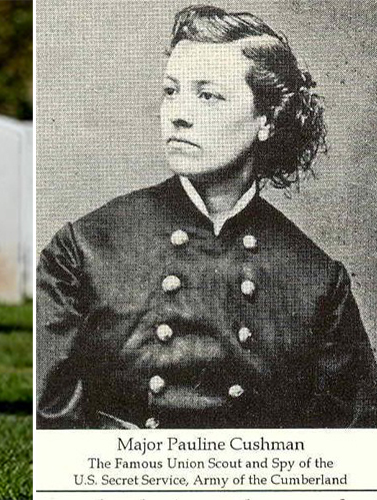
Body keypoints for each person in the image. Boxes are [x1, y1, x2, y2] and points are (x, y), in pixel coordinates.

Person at [37, 4, 377, 429]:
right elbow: (56, 428)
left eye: (207, 95)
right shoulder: (83, 249)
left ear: (266, 120)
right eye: (170, 91)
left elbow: (349, 446)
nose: (178, 114)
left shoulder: (317, 282)